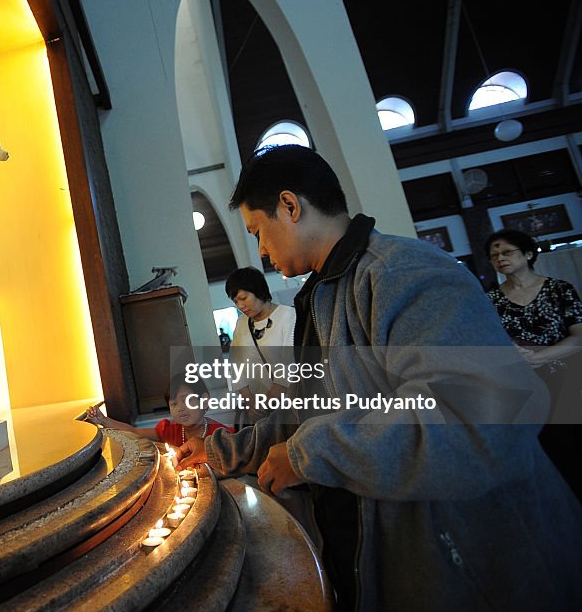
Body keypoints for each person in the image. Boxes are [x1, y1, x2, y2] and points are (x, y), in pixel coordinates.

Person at [175, 144, 582, 612]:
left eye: (258, 232)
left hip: (481, 568)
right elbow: (312, 409)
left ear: (289, 206)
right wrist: (220, 450)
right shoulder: (323, 295)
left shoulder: (402, 273)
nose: (262, 249)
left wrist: (311, 455)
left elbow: (474, 418)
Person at [485, 228, 582, 497]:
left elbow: (578, 336)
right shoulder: (489, 300)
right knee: (556, 455)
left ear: (528, 254)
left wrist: (540, 356)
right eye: (494, 256)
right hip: (528, 386)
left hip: (570, 379)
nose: (500, 258)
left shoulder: (559, 289)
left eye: (507, 252)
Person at [225, 266, 296, 425]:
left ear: (258, 290)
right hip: (256, 410)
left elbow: (289, 364)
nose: (240, 305)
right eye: (235, 301)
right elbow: (234, 366)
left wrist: (265, 403)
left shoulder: (287, 315)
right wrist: (250, 402)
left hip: (288, 404)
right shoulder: (242, 323)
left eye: (243, 298)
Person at [86, 376, 233, 447]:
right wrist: (104, 420)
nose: (180, 408)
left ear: (205, 400)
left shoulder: (220, 434)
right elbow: (133, 432)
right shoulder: (170, 430)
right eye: (174, 404)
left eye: (187, 400)